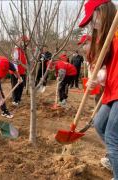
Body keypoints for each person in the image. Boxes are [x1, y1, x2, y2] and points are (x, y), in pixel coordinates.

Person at [79, 0, 117, 179]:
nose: (92, 24)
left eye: (92, 18)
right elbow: (108, 67)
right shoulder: (106, 37)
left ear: (100, 10)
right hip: (111, 92)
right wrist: (100, 77)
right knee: (100, 125)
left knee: (112, 134)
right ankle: (115, 157)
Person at [78, 35, 105, 109]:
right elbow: (90, 66)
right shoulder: (89, 51)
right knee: (98, 96)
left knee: (103, 96)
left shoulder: (100, 46)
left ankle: (100, 113)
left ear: (89, 40)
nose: (83, 46)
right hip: (96, 76)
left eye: (84, 43)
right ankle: (97, 112)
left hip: (103, 75)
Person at [10, 36, 27, 105]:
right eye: (25, 41)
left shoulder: (22, 50)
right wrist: (16, 72)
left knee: (21, 86)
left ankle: (18, 98)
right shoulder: (16, 50)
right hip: (16, 72)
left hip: (22, 71)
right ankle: (14, 99)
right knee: (15, 85)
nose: (26, 43)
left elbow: (24, 60)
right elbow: (15, 61)